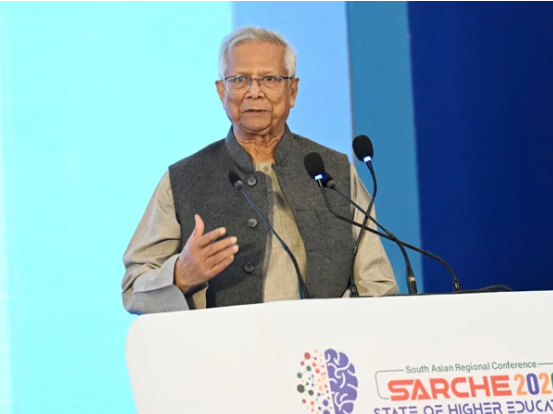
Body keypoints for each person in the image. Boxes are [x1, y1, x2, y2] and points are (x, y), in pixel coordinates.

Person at [122, 26, 398, 314]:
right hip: (221, 343)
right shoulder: (184, 178)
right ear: (222, 91)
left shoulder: (334, 172)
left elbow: (376, 285)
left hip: (321, 342)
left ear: (292, 91)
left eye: (270, 79)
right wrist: (179, 276)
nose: (254, 92)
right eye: (240, 79)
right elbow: (133, 288)